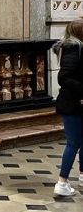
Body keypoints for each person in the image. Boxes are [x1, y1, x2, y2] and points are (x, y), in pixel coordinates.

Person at [52, 19, 83, 196]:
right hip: (72, 103)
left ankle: (82, 175)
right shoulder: (73, 49)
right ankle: (62, 182)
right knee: (73, 143)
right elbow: (64, 77)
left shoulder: (77, 48)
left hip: (77, 102)